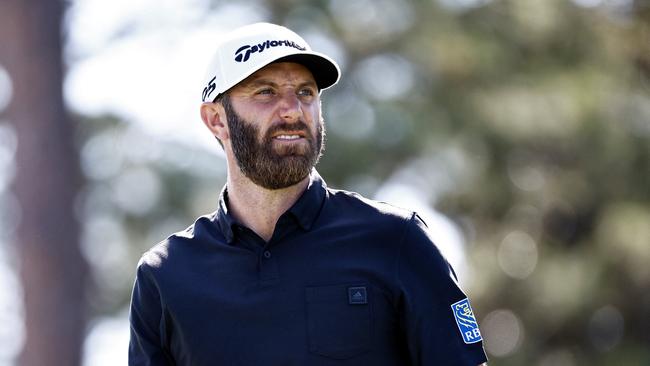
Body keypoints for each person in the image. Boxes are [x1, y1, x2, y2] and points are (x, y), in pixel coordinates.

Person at [128, 22, 488, 366]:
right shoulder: (165, 276)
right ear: (216, 120)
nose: (292, 109)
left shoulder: (397, 240)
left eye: (305, 92)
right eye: (266, 92)